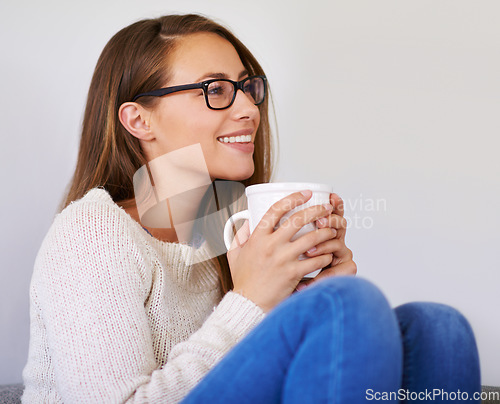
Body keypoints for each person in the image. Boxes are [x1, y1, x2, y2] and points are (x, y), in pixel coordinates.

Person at [22, 14, 480, 403]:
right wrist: (253, 300)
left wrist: (301, 297)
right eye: (215, 90)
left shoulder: (226, 227)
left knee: (438, 328)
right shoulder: (94, 233)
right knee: (348, 305)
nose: (248, 108)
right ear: (139, 121)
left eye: (247, 88)